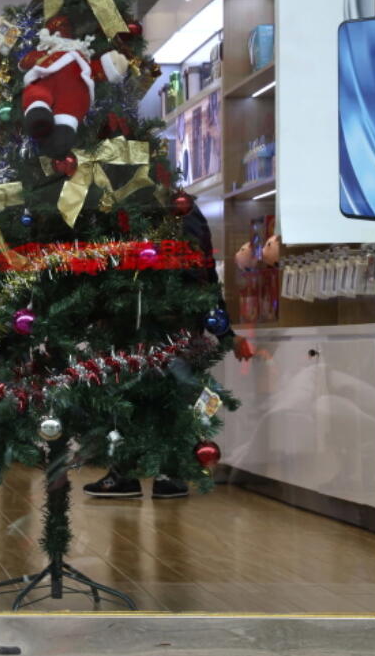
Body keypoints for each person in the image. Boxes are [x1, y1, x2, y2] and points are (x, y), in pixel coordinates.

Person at [82, 201, 253, 500]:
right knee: (130, 397)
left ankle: (164, 473)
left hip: (173, 319)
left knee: (172, 394)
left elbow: (203, 272)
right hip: (133, 319)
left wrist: (225, 332)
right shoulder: (121, 204)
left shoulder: (180, 208)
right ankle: (135, 473)